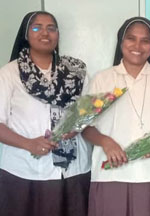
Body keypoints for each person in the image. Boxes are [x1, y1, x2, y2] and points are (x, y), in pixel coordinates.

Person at [82, 17, 150, 216]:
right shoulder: (102, 79)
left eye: (145, 40)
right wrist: (105, 141)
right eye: (131, 38)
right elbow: (85, 127)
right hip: (110, 175)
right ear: (121, 42)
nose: (138, 45)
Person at [0, 11, 92, 216]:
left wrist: (76, 128)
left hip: (74, 171)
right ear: (26, 34)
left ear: (58, 35)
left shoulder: (76, 72)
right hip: (25, 172)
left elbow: (89, 112)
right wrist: (28, 143)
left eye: (51, 28)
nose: (45, 33)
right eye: (36, 27)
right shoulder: (9, 74)